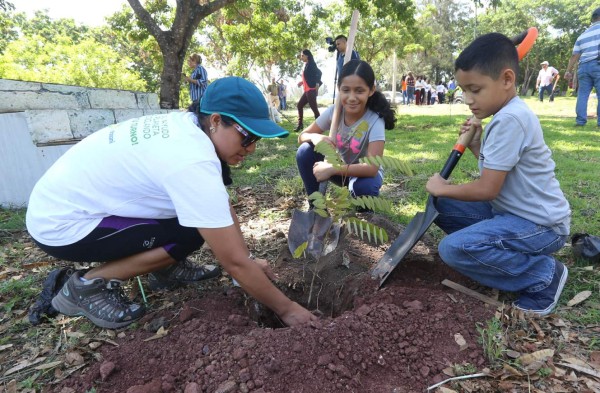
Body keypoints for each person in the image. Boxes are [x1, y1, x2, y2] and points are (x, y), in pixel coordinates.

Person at [26, 77, 318, 329]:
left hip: (74, 203)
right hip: (63, 223)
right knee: (188, 232)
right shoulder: (191, 158)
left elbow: (219, 207)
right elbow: (232, 261)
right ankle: (86, 285)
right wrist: (287, 309)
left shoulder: (190, 126)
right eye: (247, 137)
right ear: (216, 120)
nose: (252, 148)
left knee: (196, 225)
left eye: (257, 139)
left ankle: (163, 269)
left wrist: (248, 260)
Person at [425, 33, 571, 316]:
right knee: (440, 208)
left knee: (453, 249)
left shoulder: (510, 119)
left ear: (506, 80)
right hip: (511, 215)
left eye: (475, 89)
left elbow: (487, 189)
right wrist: (478, 144)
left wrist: (442, 187)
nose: (467, 99)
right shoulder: (506, 116)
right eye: (464, 90)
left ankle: (543, 275)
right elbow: (495, 169)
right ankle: (491, 255)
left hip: (542, 226)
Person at [296, 60, 395, 203]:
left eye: (359, 91)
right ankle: (316, 207)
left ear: (371, 90)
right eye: (346, 90)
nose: (352, 98)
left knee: (365, 190)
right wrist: (315, 137)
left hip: (363, 174)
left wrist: (333, 169)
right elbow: (302, 136)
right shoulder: (333, 112)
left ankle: (359, 196)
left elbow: (371, 168)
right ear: (339, 89)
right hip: (339, 169)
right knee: (305, 151)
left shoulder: (375, 120)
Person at [565, 7, 600, 127]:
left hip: (583, 67)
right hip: (598, 64)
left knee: (583, 95)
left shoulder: (582, 35)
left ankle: (580, 121)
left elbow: (575, 55)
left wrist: (568, 71)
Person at [295, 49, 322, 132]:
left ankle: (320, 127)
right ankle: (300, 125)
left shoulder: (311, 64)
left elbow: (319, 73)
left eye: (302, 55)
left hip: (311, 91)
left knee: (315, 110)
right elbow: (309, 77)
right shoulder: (307, 64)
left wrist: (317, 84)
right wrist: (301, 82)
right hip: (307, 91)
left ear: (307, 56)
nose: (301, 57)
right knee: (299, 105)